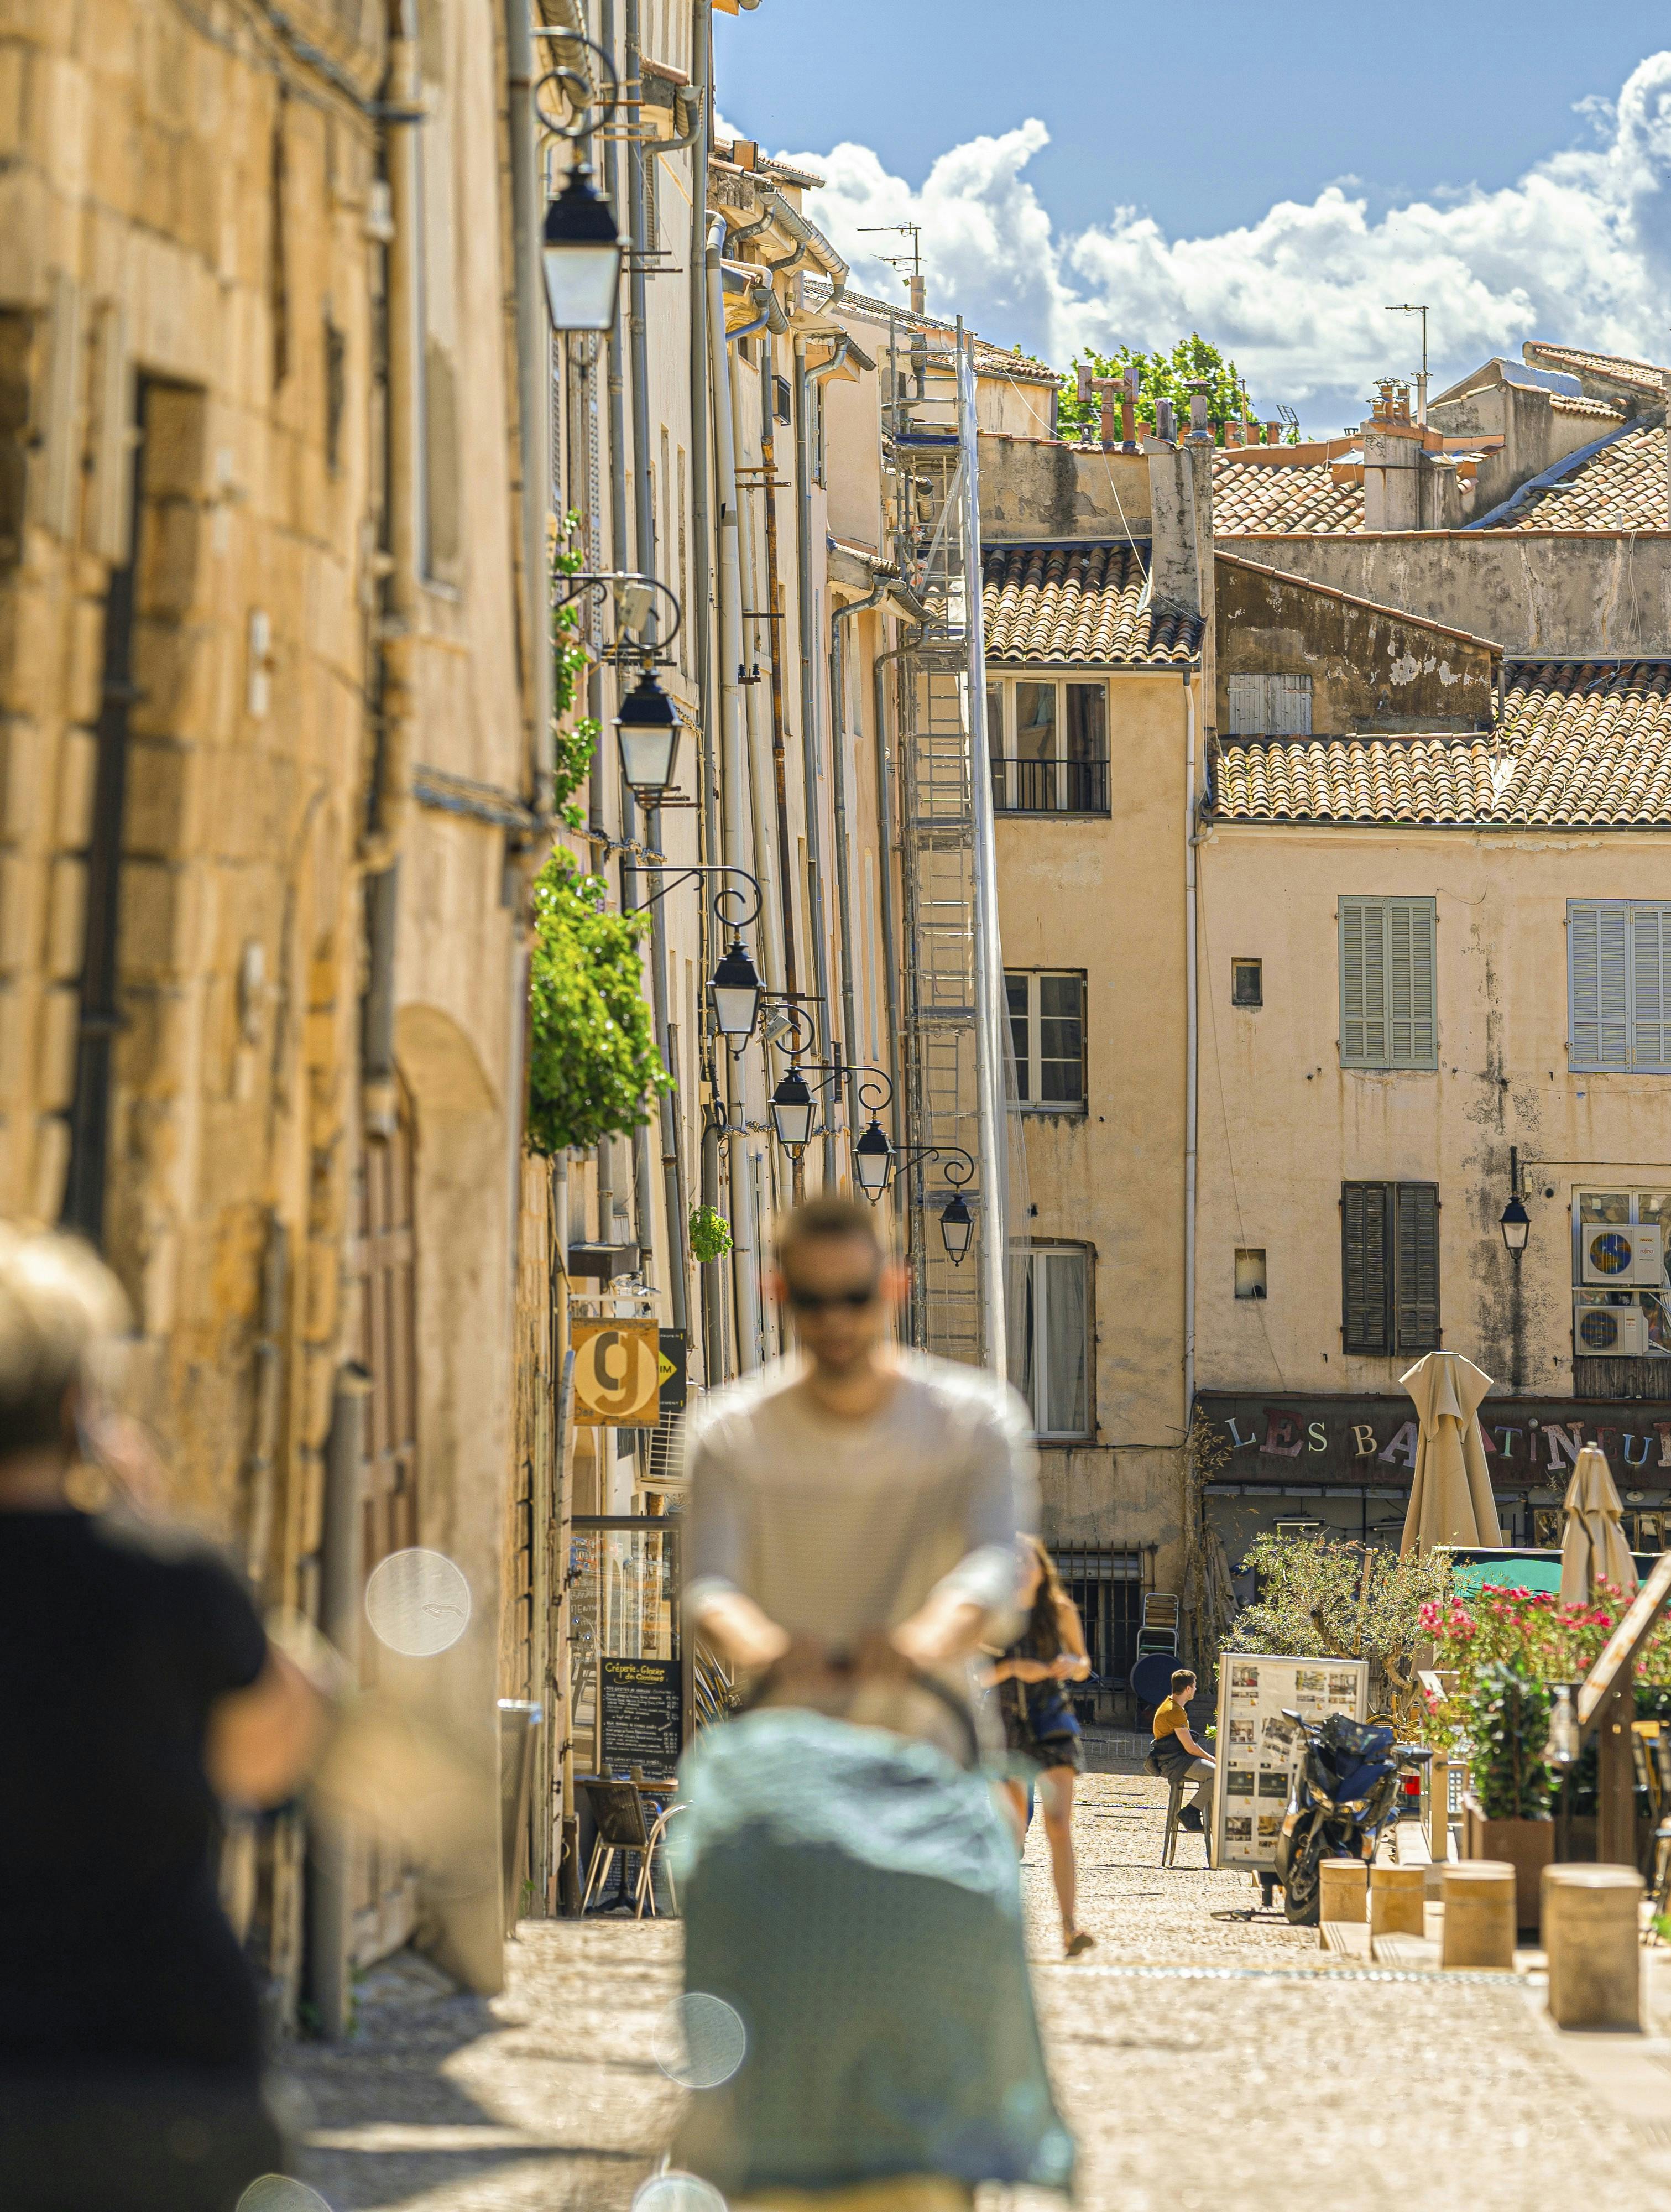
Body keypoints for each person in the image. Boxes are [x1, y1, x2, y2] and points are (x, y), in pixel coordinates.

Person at [675, 1197, 1075, 2211]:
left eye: (854, 1297)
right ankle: (738, 2134)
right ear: (778, 1295)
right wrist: (770, 1648)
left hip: (922, 1764)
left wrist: (928, 1637)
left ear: (892, 1288)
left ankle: (958, 2138)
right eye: (812, 1302)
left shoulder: (968, 1421)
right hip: (781, 1771)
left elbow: (991, 1562)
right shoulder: (732, 1434)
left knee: (952, 1963)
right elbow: (709, 1586)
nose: (835, 1321)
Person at [0, 1224, 332, 2210]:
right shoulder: (170, 1583)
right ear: (78, 1408)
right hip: (158, 2068)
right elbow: (274, 1751)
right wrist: (144, 1517)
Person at [989, 1536, 1094, 1957]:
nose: (1021, 1568)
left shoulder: (1060, 1610)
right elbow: (974, 1674)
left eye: (1027, 1561)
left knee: (1058, 1824)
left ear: (1041, 1567)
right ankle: (1001, 1931)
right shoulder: (992, 1613)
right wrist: (1015, 1667)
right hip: (1008, 1723)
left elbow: (1084, 1665)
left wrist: (1073, 1664)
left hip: (1053, 1720)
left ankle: (1070, 1928)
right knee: (1012, 1829)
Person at [1149, 1666, 1215, 1833]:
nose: (1195, 1689)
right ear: (1188, 1689)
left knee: (1216, 1771)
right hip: (1175, 1762)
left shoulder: (1172, 1706)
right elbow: (1190, 1748)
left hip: (1175, 1759)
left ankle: (1213, 1820)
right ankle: (1191, 1812)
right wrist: (1210, 1758)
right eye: (1194, 1686)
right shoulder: (1174, 1712)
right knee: (1218, 1775)